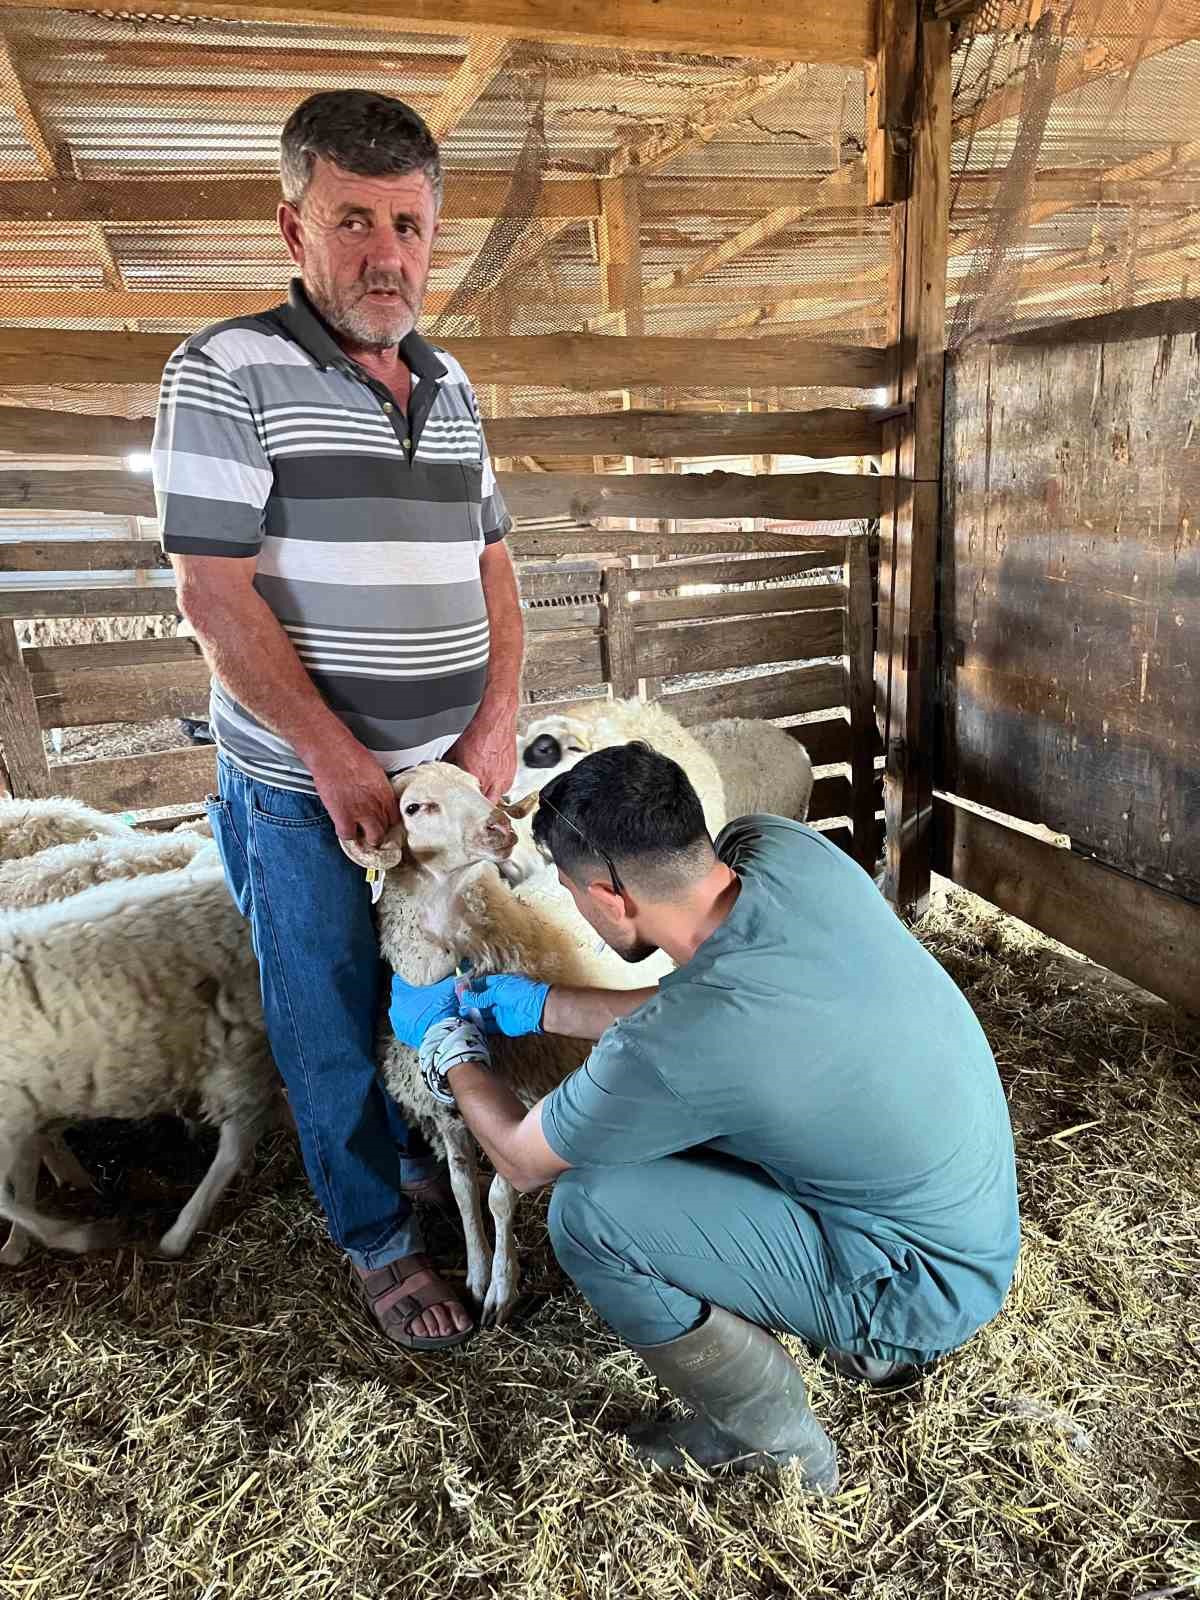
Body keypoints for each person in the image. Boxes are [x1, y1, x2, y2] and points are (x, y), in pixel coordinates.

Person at [388, 744, 1020, 1486]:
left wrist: (450, 1047)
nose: (584, 921)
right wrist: (548, 1007)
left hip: (913, 1289)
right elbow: (728, 999)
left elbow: (521, 1159)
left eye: (574, 892)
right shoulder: (781, 852)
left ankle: (776, 1442)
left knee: (589, 1212)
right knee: (655, 1139)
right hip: (965, 1220)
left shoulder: (677, 1048)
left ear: (612, 898)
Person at [152, 90, 522, 1350]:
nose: (389, 255)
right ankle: (376, 1235)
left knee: (436, 975)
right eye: (354, 220)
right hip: (302, 784)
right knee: (321, 1003)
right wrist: (326, 750)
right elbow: (212, 589)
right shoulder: (225, 369)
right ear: (293, 228)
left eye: (411, 225)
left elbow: (494, 567)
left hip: (441, 778)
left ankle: (424, 1161)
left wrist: (497, 721)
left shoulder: (450, 381)